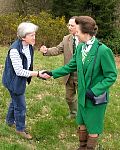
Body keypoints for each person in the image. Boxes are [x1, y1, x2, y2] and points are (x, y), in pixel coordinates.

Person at [40, 16, 117, 149]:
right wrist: (52, 73)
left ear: (86, 33)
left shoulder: (103, 51)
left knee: (93, 127)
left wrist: (94, 91)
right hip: (82, 95)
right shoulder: (81, 48)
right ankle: (82, 146)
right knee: (81, 122)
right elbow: (70, 66)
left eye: (78, 31)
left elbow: (111, 76)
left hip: (95, 98)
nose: (75, 33)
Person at [2, 22, 44, 140]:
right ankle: (20, 129)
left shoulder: (29, 46)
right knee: (20, 106)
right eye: (31, 35)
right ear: (23, 37)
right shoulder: (14, 50)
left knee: (14, 101)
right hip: (13, 81)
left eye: (34, 34)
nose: (34, 37)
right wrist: (38, 74)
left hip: (19, 80)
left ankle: (9, 121)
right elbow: (19, 71)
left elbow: (28, 64)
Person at [40, 16, 79, 119]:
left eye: (72, 25)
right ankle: (74, 114)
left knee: (85, 99)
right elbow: (58, 49)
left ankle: (85, 118)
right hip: (68, 74)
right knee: (69, 97)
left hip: (82, 75)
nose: (69, 27)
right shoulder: (66, 39)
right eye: (68, 25)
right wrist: (46, 51)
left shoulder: (85, 40)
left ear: (78, 26)